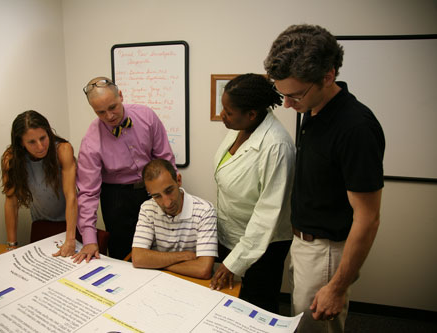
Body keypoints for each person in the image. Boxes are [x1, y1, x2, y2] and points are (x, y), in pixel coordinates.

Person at [264, 24, 385, 332]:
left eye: (294, 95)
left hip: (326, 253)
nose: (288, 105)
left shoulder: (355, 128)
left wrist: (337, 287)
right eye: (283, 94)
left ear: (328, 76)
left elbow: (368, 218)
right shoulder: (313, 106)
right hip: (303, 244)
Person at [210, 74, 296, 313]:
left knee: (257, 308)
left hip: (263, 245)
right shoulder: (240, 128)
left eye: (228, 112)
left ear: (251, 114)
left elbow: (267, 214)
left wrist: (235, 262)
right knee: (231, 303)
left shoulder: (276, 146)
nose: (222, 116)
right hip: (232, 234)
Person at [73, 77, 176, 263]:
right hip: (116, 199)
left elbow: (165, 158)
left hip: (152, 189)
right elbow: (88, 193)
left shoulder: (146, 116)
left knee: (162, 247)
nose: (109, 116)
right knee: (123, 254)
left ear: (120, 95)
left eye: (112, 107)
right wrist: (89, 239)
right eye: (101, 112)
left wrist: (172, 191)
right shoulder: (91, 141)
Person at [1, 110, 78, 257]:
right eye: (31, 142)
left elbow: (71, 196)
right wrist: (12, 245)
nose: (41, 146)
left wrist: (70, 239)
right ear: (21, 143)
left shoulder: (63, 150)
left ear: (48, 133)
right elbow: (11, 202)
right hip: (41, 224)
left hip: (72, 224)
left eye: (43, 138)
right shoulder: (10, 159)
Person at [131, 159, 218, 279]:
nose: (166, 203)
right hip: (158, 280)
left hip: (193, 282)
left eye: (169, 191)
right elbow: (138, 258)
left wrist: (156, 263)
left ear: (178, 180)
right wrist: (182, 256)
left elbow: (203, 270)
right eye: (157, 196)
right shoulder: (147, 208)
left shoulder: (205, 211)